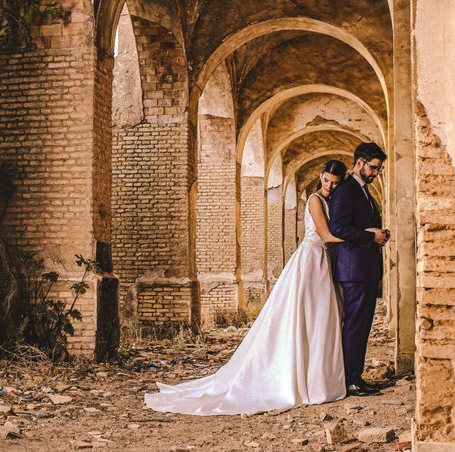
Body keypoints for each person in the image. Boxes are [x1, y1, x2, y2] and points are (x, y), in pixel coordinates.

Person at [144, 160, 349, 416]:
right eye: (327, 180)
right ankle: (296, 378)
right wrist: (365, 236)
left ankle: (313, 377)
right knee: (305, 316)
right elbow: (327, 236)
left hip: (322, 261)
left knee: (318, 319)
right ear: (321, 176)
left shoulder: (331, 200)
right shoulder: (316, 200)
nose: (329, 186)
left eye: (335, 183)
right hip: (311, 260)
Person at [328, 142, 389, 397]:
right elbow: (338, 229)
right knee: (355, 325)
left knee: (361, 325)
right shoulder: (345, 190)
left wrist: (379, 235)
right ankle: (350, 380)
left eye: (379, 169)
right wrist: (369, 236)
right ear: (360, 163)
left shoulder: (363, 191)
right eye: (374, 168)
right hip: (354, 270)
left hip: (364, 268)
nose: (376, 173)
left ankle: (354, 376)